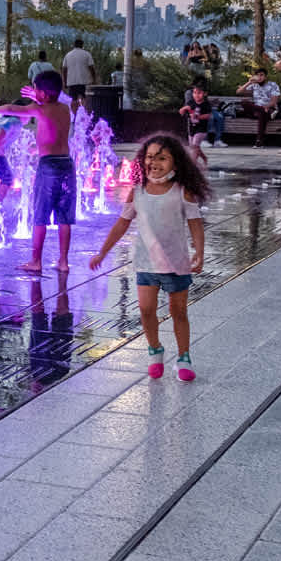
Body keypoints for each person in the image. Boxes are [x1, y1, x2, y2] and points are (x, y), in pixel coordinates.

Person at [88, 133, 208, 381]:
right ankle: (155, 350)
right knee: (145, 309)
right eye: (150, 157)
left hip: (176, 262)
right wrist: (103, 251)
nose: (154, 162)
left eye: (162, 158)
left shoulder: (182, 192)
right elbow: (122, 224)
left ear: (176, 162)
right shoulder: (138, 191)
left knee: (178, 311)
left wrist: (199, 253)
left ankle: (183, 357)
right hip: (146, 262)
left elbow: (195, 224)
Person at [0, 71, 76, 273]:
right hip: (67, 164)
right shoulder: (64, 108)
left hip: (48, 165)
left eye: (35, 89)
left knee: (40, 215)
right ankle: (63, 262)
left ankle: (36, 261)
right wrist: (39, 95)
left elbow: (11, 108)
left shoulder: (39, 109)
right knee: (64, 217)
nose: (33, 92)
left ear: (42, 94)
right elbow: (52, 100)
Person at [179, 80, 221, 162]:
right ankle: (204, 158)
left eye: (199, 93)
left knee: (195, 145)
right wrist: (184, 109)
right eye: (194, 93)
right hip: (191, 128)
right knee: (194, 146)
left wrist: (198, 116)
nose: (196, 95)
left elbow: (208, 115)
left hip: (201, 129)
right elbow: (181, 112)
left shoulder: (206, 104)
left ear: (205, 94)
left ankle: (193, 163)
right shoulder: (191, 102)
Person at [237, 69, 281, 147]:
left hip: (268, 111)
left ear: (266, 77)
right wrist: (249, 82)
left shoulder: (273, 85)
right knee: (244, 102)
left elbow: (274, 101)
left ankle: (259, 141)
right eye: (257, 75)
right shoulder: (254, 85)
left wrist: (266, 107)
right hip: (257, 110)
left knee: (261, 114)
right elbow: (239, 92)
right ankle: (259, 141)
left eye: (261, 75)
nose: (259, 77)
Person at [62, 39, 95, 113]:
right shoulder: (87, 54)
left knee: (73, 100)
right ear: (82, 45)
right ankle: (84, 114)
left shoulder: (68, 55)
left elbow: (64, 69)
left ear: (74, 45)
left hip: (71, 82)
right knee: (84, 99)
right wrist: (94, 79)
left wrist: (65, 81)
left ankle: (74, 115)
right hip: (84, 82)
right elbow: (91, 68)